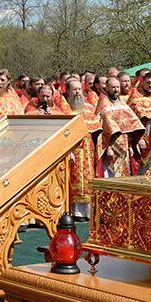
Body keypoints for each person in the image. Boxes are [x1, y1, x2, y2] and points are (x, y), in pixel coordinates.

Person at [62, 78, 102, 219]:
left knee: (88, 180)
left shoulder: (89, 107)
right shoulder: (64, 108)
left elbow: (96, 127)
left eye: (80, 89)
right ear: (68, 91)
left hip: (88, 150)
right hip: (74, 150)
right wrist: (69, 151)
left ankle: (87, 211)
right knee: (75, 181)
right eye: (75, 89)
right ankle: (76, 212)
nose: (78, 92)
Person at [98, 77, 145, 178]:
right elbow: (102, 130)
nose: (116, 90)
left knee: (125, 173)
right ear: (107, 88)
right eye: (113, 87)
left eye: (118, 87)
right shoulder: (103, 105)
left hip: (125, 145)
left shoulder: (122, 103)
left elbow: (131, 126)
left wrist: (131, 145)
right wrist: (108, 148)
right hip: (112, 146)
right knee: (111, 174)